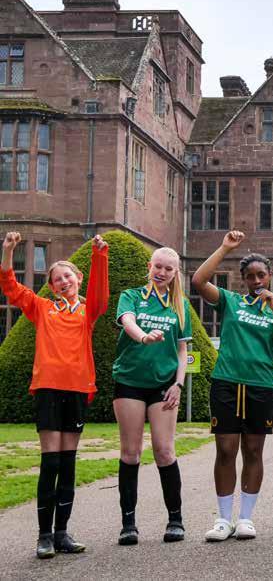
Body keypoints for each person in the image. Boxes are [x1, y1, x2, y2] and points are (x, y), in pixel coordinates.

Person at [0, 231, 109, 559]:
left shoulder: (88, 312)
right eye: (57, 279)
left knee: (68, 463)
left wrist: (100, 256)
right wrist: (8, 250)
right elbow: (10, 286)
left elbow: (100, 296)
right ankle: (44, 536)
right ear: (50, 286)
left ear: (78, 278)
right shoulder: (42, 307)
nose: (63, 281)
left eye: (67, 276)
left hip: (77, 389)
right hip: (48, 388)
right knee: (50, 463)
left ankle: (62, 533)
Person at [192, 231, 273, 541]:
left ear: (270, 276)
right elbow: (198, 281)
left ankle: (246, 518)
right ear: (244, 280)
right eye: (250, 276)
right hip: (226, 382)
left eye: (261, 275)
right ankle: (224, 519)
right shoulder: (231, 302)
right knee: (226, 450)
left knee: (253, 450)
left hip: (260, 386)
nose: (256, 280)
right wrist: (225, 248)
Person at [112, 247, 192, 545]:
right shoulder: (131, 295)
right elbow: (128, 321)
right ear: (150, 266)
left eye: (168, 269)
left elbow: (182, 351)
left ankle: (175, 520)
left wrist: (178, 384)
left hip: (164, 386)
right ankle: (128, 525)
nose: (162, 272)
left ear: (175, 273)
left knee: (165, 451)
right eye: (158, 266)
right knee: (130, 453)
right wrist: (143, 337)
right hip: (130, 381)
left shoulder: (180, 305)